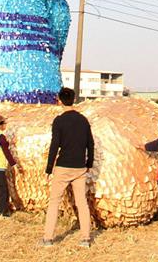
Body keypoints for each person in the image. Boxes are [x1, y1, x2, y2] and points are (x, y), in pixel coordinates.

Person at [42, 87, 94, 248]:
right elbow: (90, 143)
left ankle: (48, 239)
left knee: (54, 202)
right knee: (82, 203)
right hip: (79, 167)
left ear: (59, 100)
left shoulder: (59, 121)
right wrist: (89, 163)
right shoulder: (83, 120)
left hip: (63, 166)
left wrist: (49, 168)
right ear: (74, 99)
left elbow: (54, 145)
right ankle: (85, 239)